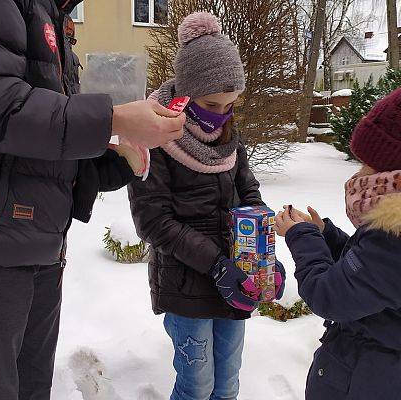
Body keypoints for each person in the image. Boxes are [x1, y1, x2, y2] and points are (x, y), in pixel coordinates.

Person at [0, 1, 185, 399]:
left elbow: (42, 145)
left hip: (37, 240)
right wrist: (114, 118)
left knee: (32, 388)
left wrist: (116, 158)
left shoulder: (47, 11)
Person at [128, 12, 286, 400]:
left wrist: (263, 254)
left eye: (231, 104)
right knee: (196, 387)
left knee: (228, 383)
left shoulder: (229, 137)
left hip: (237, 280)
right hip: (187, 284)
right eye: (212, 103)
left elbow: (249, 194)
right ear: (186, 93)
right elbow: (153, 222)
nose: (222, 114)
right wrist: (217, 264)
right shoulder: (153, 138)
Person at [275, 81, 401, 400]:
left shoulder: (399, 235)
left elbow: (330, 296)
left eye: (370, 163)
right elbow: (368, 275)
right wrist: (327, 236)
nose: (359, 176)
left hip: (369, 380)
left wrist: (302, 238)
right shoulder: (397, 233)